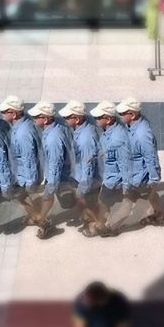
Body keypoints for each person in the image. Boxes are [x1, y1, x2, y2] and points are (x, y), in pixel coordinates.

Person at [116, 97, 164, 227]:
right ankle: (158, 215)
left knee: (127, 202)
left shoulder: (142, 134)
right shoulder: (131, 126)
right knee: (151, 195)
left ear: (132, 115)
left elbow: (150, 157)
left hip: (140, 176)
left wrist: (153, 179)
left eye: (122, 114)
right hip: (135, 172)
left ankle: (109, 227)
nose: (119, 116)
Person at [28, 101, 73, 239]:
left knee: (48, 197)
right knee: (69, 200)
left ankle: (44, 223)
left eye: (36, 117)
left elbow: (55, 162)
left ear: (45, 119)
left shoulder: (53, 138)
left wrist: (51, 184)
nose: (34, 119)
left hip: (58, 175)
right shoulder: (56, 128)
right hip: (61, 173)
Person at [58, 100, 103, 237]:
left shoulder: (85, 139)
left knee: (90, 204)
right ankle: (88, 220)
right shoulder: (79, 130)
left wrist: (83, 188)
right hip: (78, 175)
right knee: (83, 203)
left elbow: (88, 166)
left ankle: (96, 225)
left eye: (67, 117)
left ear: (76, 119)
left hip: (87, 180)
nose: (64, 119)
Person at [90, 100, 133, 236]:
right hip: (108, 177)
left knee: (105, 202)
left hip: (115, 180)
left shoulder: (118, 138)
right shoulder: (107, 132)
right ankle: (106, 224)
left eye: (98, 117)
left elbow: (124, 163)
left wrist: (126, 186)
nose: (95, 120)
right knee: (105, 202)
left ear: (108, 119)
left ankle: (106, 227)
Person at [0, 95, 42, 226]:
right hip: (22, 173)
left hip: (26, 175)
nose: (2, 114)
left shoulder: (23, 133)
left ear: (14, 114)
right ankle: (35, 215)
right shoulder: (21, 125)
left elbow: (29, 158)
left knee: (22, 196)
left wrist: (30, 181)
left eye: (5, 112)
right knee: (22, 197)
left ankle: (40, 219)